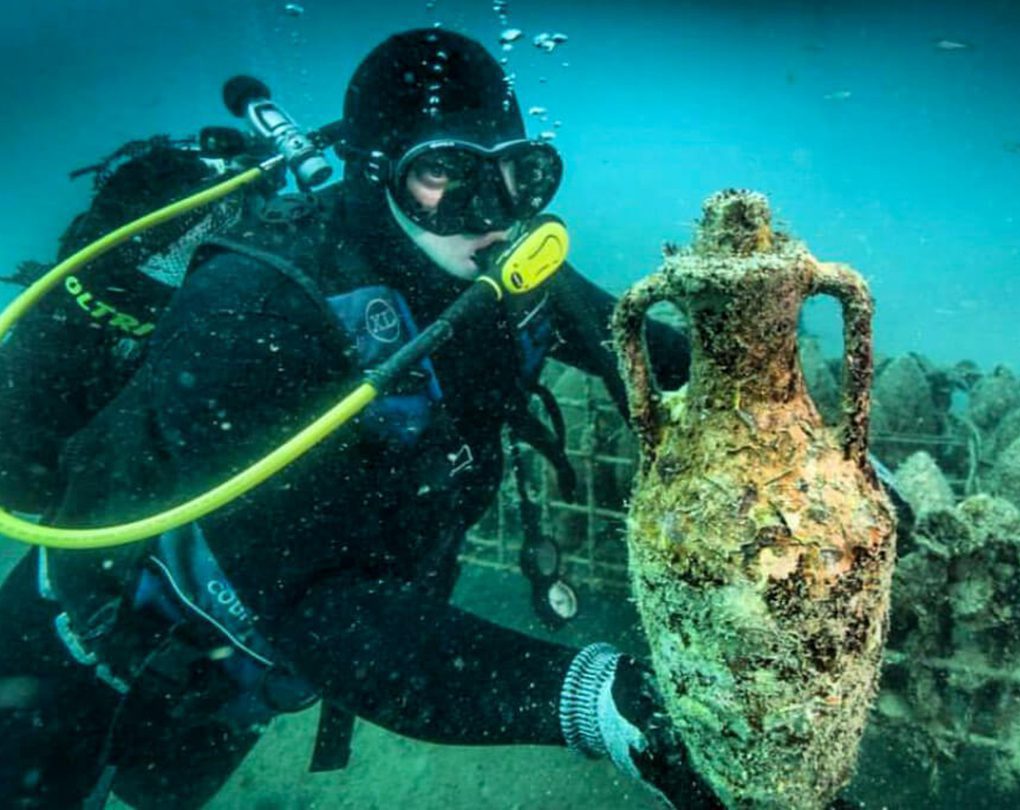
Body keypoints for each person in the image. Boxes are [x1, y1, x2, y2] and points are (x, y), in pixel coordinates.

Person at [0, 28, 719, 809]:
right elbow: (315, 611)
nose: (497, 211)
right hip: (89, 646)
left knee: (160, 793)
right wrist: (594, 700)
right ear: (379, 172)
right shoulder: (253, 312)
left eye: (518, 171)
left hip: (246, 683)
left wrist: (826, 454)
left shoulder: (498, 258)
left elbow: (648, 355)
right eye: (444, 170)